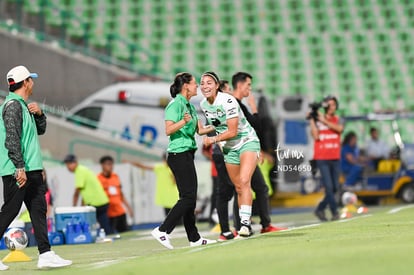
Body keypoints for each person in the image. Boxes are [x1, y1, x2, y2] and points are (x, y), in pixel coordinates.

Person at [0, 65, 71, 270]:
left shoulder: (23, 105)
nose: (33, 82)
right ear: (26, 82)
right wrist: (19, 167)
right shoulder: (13, 105)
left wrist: (40, 114)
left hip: (30, 169)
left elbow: (39, 131)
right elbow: (11, 138)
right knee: (10, 211)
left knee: (38, 211)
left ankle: (46, 254)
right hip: (18, 169)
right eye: (31, 79)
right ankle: (46, 253)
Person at [151, 72, 216, 249]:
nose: (198, 87)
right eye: (195, 83)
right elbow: (168, 129)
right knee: (188, 197)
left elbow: (200, 131)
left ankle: (194, 238)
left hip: (187, 154)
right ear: (185, 86)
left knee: (189, 198)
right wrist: (182, 122)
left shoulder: (190, 106)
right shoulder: (175, 104)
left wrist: (220, 126)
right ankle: (163, 230)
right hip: (177, 154)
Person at [200, 71, 260, 237]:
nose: (205, 86)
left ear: (217, 85)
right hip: (229, 148)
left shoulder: (228, 100)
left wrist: (213, 140)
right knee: (239, 187)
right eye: (202, 83)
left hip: (246, 141)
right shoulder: (204, 105)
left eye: (209, 82)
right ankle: (243, 224)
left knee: (244, 180)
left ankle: (245, 225)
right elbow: (217, 125)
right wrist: (201, 130)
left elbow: (232, 131)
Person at [309, 95, 343, 222]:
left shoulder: (338, 119)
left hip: (335, 157)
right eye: (329, 104)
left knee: (334, 188)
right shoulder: (318, 121)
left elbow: (340, 129)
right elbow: (315, 136)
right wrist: (312, 120)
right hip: (322, 158)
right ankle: (335, 212)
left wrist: (324, 121)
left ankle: (320, 208)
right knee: (329, 187)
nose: (331, 107)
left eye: (333, 104)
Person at [63, 154, 112, 235]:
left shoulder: (79, 171)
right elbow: (84, 191)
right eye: (67, 164)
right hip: (101, 201)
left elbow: (77, 192)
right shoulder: (83, 169)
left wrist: (74, 208)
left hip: (96, 203)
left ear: (75, 163)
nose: (68, 167)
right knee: (104, 226)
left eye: (69, 164)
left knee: (91, 227)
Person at [97, 155, 133, 233]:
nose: (111, 166)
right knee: (109, 234)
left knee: (125, 234)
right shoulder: (98, 179)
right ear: (102, 165)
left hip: (120, 211)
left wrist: (128, 207)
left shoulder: (115, 176)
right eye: (108, 164)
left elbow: (121, 193)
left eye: (112, 164)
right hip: (108, 213)